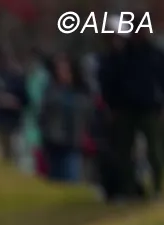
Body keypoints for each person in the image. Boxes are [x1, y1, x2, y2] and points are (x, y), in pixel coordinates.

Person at [97, 30, 164, 198]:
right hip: (124, 108)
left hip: (149, 107)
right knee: (124, 152)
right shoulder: (121, 55)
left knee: (154, 150)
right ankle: (129, 189)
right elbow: (110, 80)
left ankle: (157, 187)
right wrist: (111, 105)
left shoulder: (154, 54)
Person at [39, 54, 91, 183]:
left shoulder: (80, 91)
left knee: (71, 178)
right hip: (54, 142)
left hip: (73, 143)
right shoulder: (51, 90)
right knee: (55, 181)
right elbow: (44, 114)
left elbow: (87, 113)